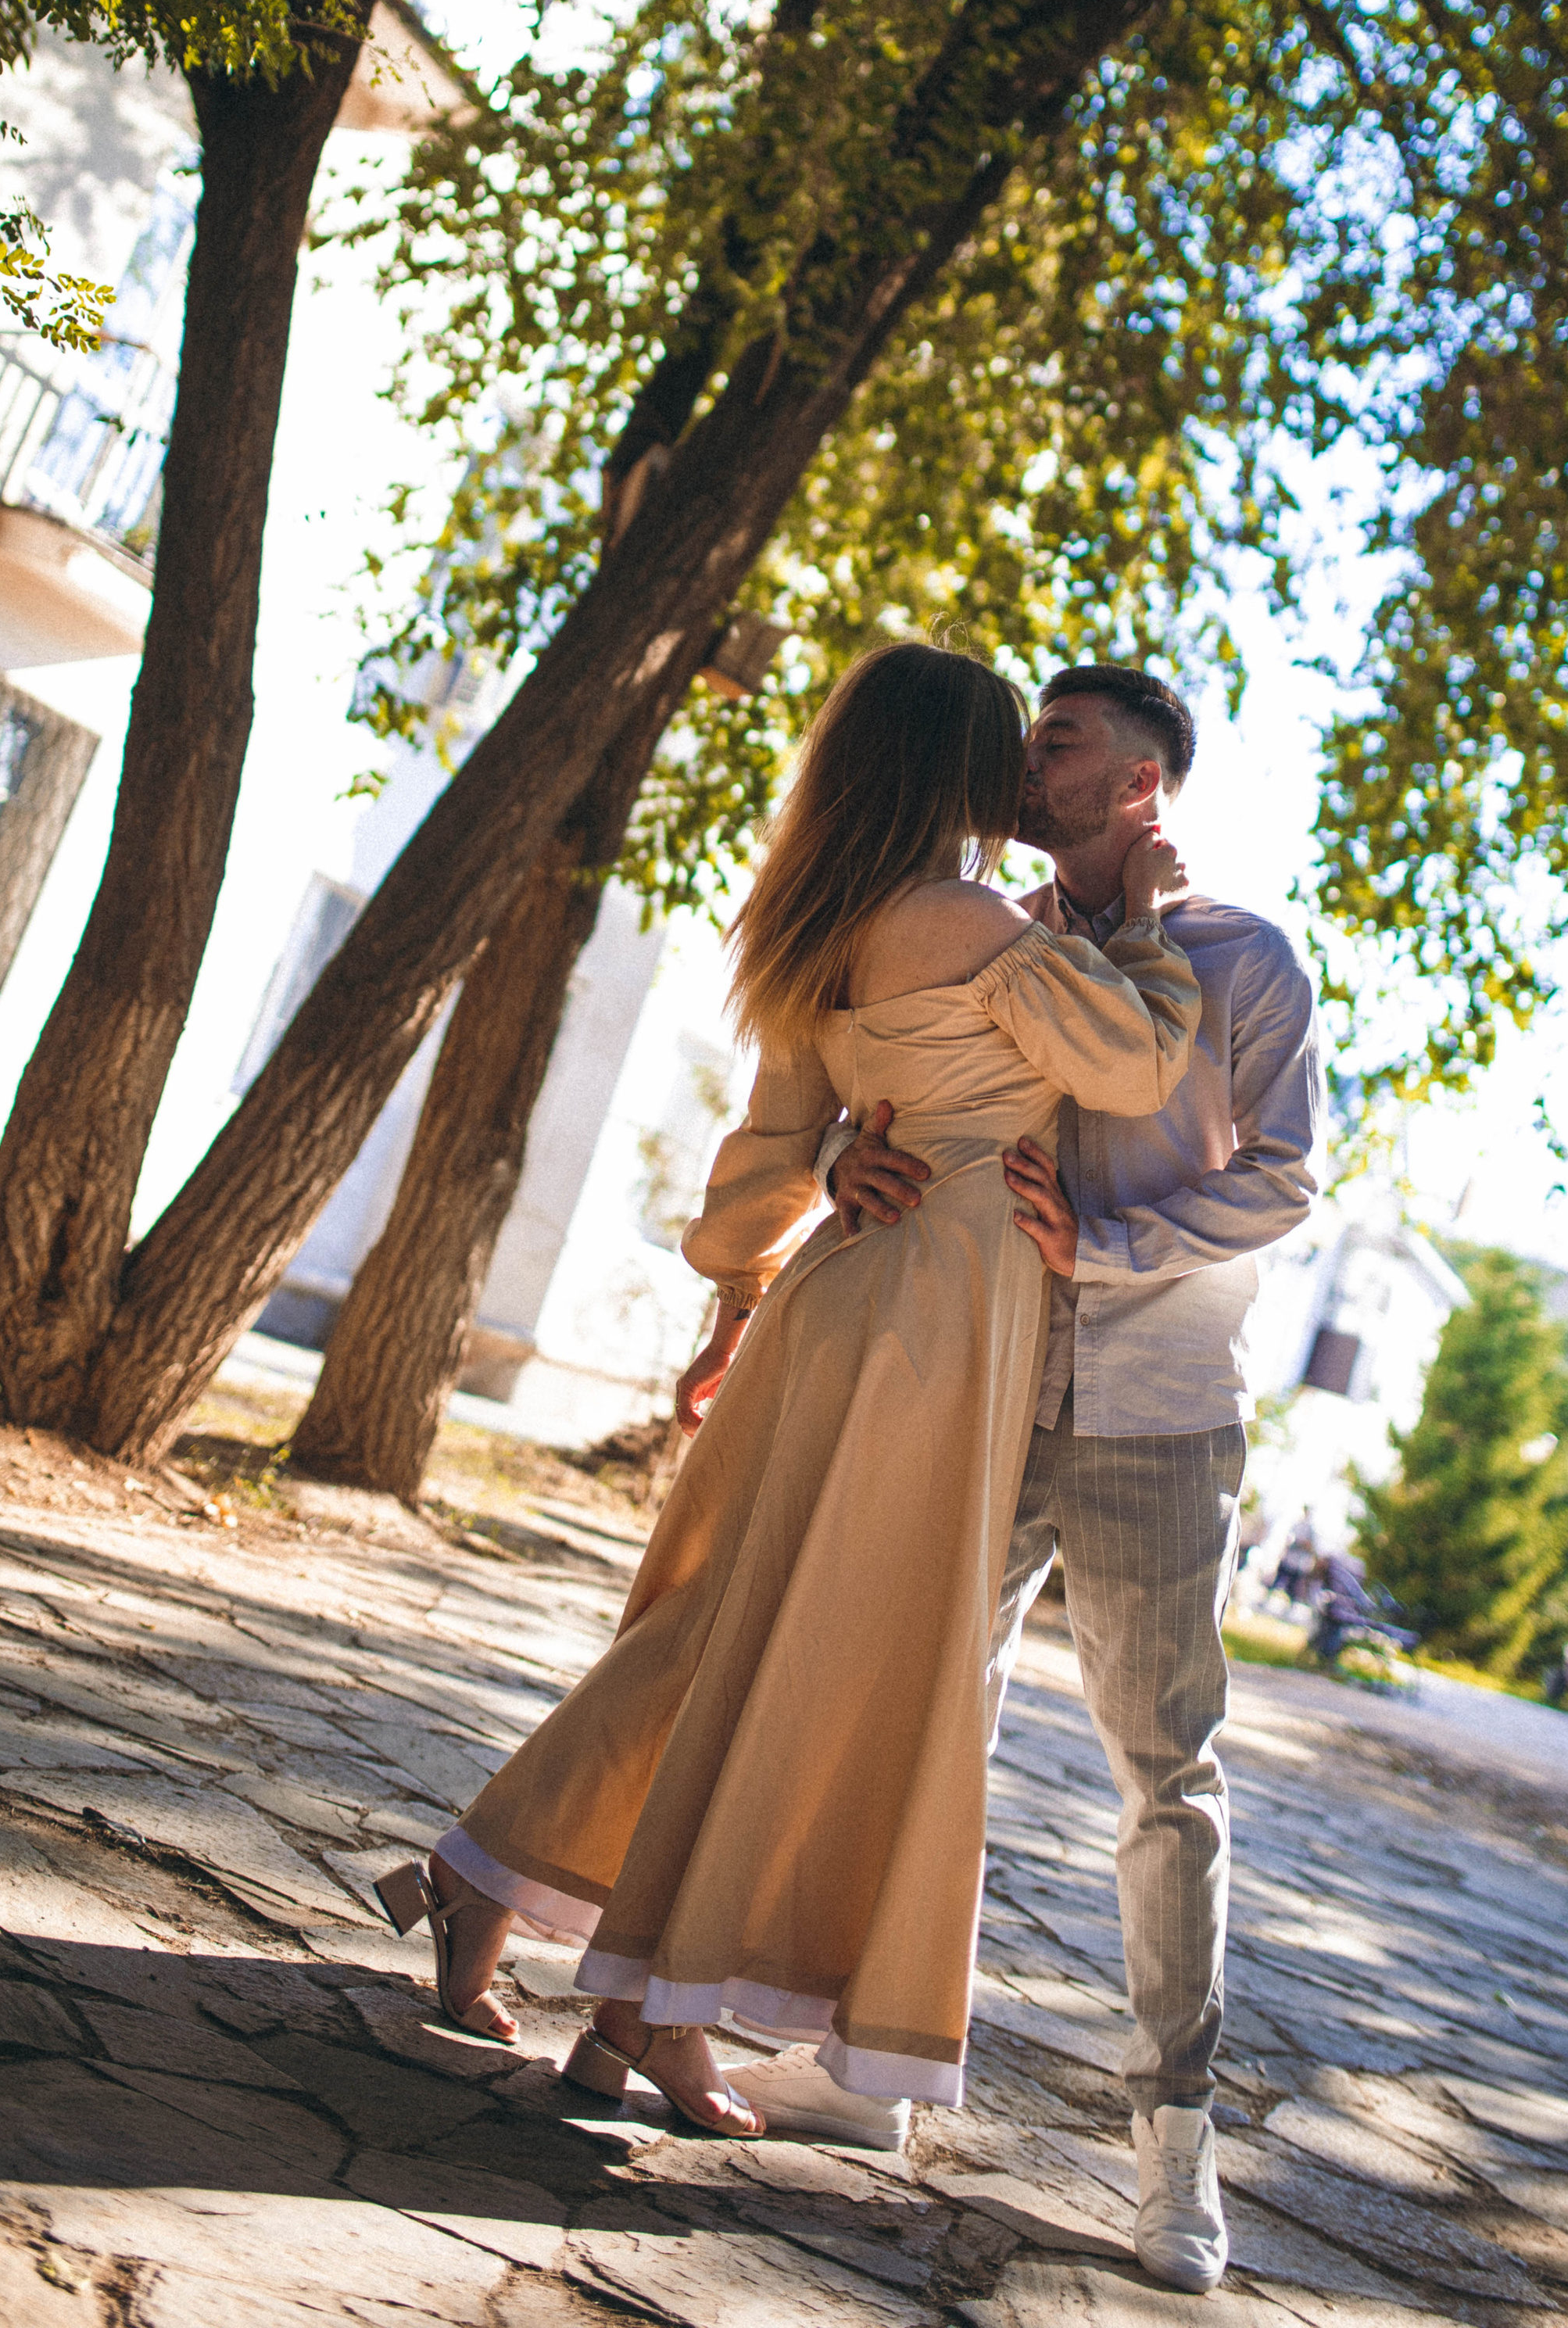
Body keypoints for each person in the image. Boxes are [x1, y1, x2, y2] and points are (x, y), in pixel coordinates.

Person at [374, 642, 1200, 2140]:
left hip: (847, 1302)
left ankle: (496, 1892)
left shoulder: (822, 918)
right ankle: (651, 2002)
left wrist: (776, 1243)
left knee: (723, 1633)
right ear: (947, 765)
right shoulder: (966, 919)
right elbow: (1136, 1066)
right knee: (821, 1657)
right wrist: (1145, 917)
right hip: (935, 1320)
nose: (1022, 772)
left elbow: (762, 1157)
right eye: (1007, 747)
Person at [825, 664, 1321, 2290]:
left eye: (1057, 745)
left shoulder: (1245, 958)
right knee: (927, 1715)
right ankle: (872, 2067)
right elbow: (893, 1078)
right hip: (982, 1389)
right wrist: (845, 1154)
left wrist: (1105, 1247)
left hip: (1160, 1416)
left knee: (1162, 1781)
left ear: (1141, 786)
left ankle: (1175, 2154)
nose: (1023, 766)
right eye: (1028, 741)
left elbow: (1281, 1182)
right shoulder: (994, 938)